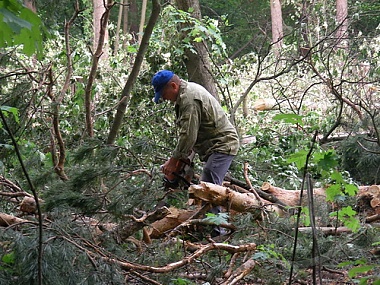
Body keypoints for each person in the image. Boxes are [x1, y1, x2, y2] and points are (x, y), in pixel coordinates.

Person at [152, 70, 239, 235]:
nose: (164, 98)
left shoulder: (189, 99)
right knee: (206, 184)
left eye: (164, 94)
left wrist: (172, 161)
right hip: (212, 145)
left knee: (210, 185)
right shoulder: (185, 94)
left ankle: (219, 231)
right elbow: (192, 133)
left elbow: (188, 137)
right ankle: (209, 224)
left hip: (223, 144)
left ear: (173, 86)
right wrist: (180, 164)